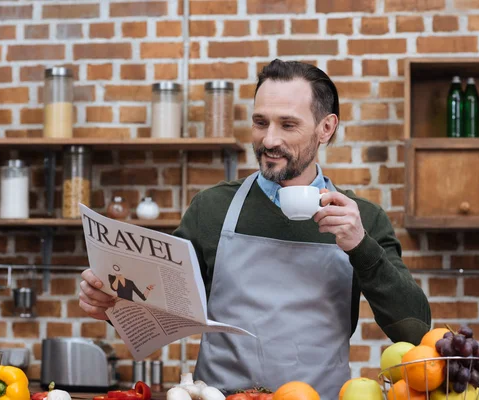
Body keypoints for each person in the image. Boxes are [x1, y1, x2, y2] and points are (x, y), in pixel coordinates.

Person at [79, 59, 431, 398]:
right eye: (260, 122)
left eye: (287, 125)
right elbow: (162, 311)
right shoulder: (212, 209)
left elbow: (414, 330)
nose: (269, 140)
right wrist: (113, 304)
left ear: (326, 128)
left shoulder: (362, 219)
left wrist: (360, 245)